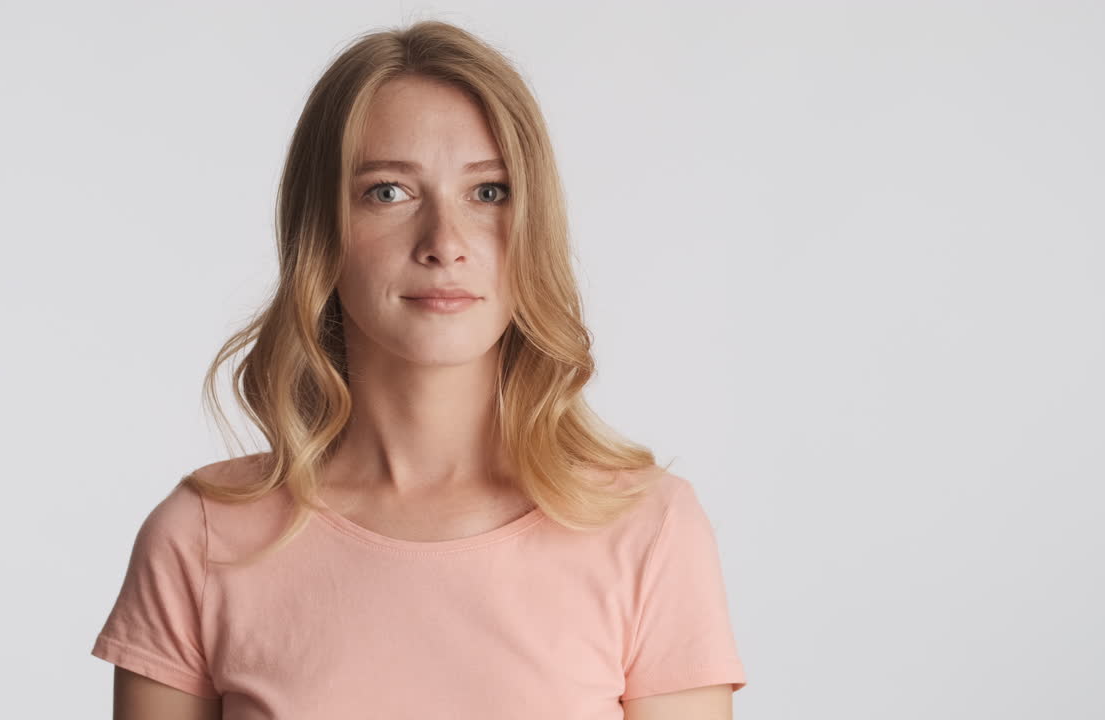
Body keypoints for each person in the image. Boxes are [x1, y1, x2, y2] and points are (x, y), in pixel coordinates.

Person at [91, 19, 747, 719]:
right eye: (389, 192)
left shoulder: (648, 528)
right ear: (319, 231)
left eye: (489, 192)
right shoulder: (200, 539)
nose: (444, 243)